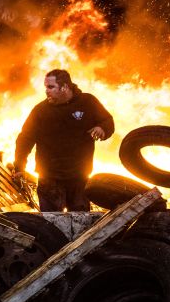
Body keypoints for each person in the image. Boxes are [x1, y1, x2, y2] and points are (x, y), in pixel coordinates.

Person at [13, 69, 114, 212]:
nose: (46, 91)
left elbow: (108, 121)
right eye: (46, 87)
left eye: (51, 87)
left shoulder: (88, 102)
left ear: (65, 87)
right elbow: (25, 138)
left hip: (79, 177)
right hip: (49, 178)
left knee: (81, 221)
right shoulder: (40, 111)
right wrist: (19, 166)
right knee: (51, 224)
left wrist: (102, 128)